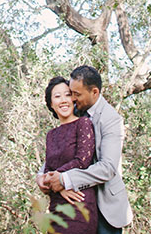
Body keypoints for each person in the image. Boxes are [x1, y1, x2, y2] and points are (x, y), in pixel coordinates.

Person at [45, 65, 133, 234]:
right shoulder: (76, 111)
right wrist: (44, 177)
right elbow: (60, 151)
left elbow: (107, 168)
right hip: (75, 202)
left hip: (106, 206)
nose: (72, 99)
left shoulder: (111, 120)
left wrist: (64, 179)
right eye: (71, 93)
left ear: (94, 92)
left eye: (76, 94)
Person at [37, 76, 98, 234]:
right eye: (57, 96)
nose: (63, 100)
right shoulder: (51, 134)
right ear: (51, 104)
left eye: (67, 94)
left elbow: (82, 161)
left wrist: (60, 179)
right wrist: (58, 186)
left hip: (79, 204)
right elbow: (47, 169)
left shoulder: (83, 124)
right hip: (56, 208)